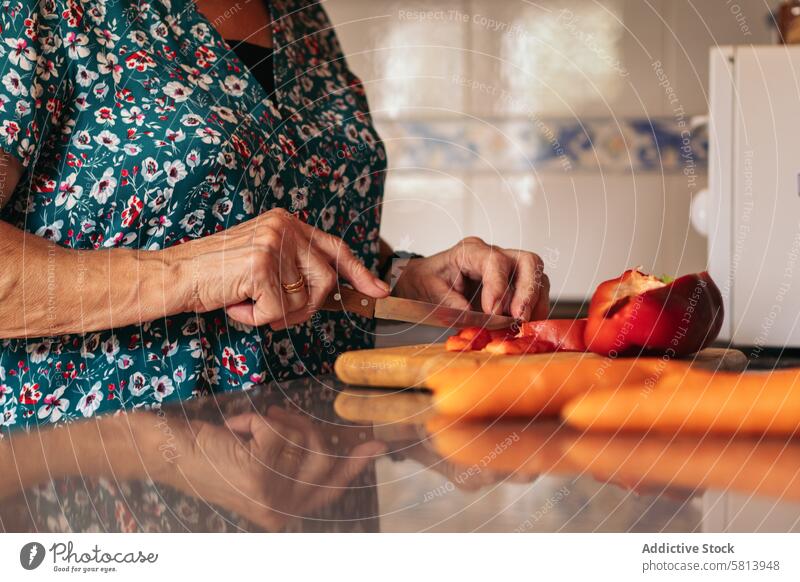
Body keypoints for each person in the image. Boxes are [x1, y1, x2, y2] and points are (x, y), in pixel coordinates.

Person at [0, 0, 548, 428]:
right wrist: (188, 275)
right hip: (109, 487)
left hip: (322, 476)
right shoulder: (45, 13)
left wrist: (405, 278)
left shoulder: (301, 15)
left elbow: (279, 221)